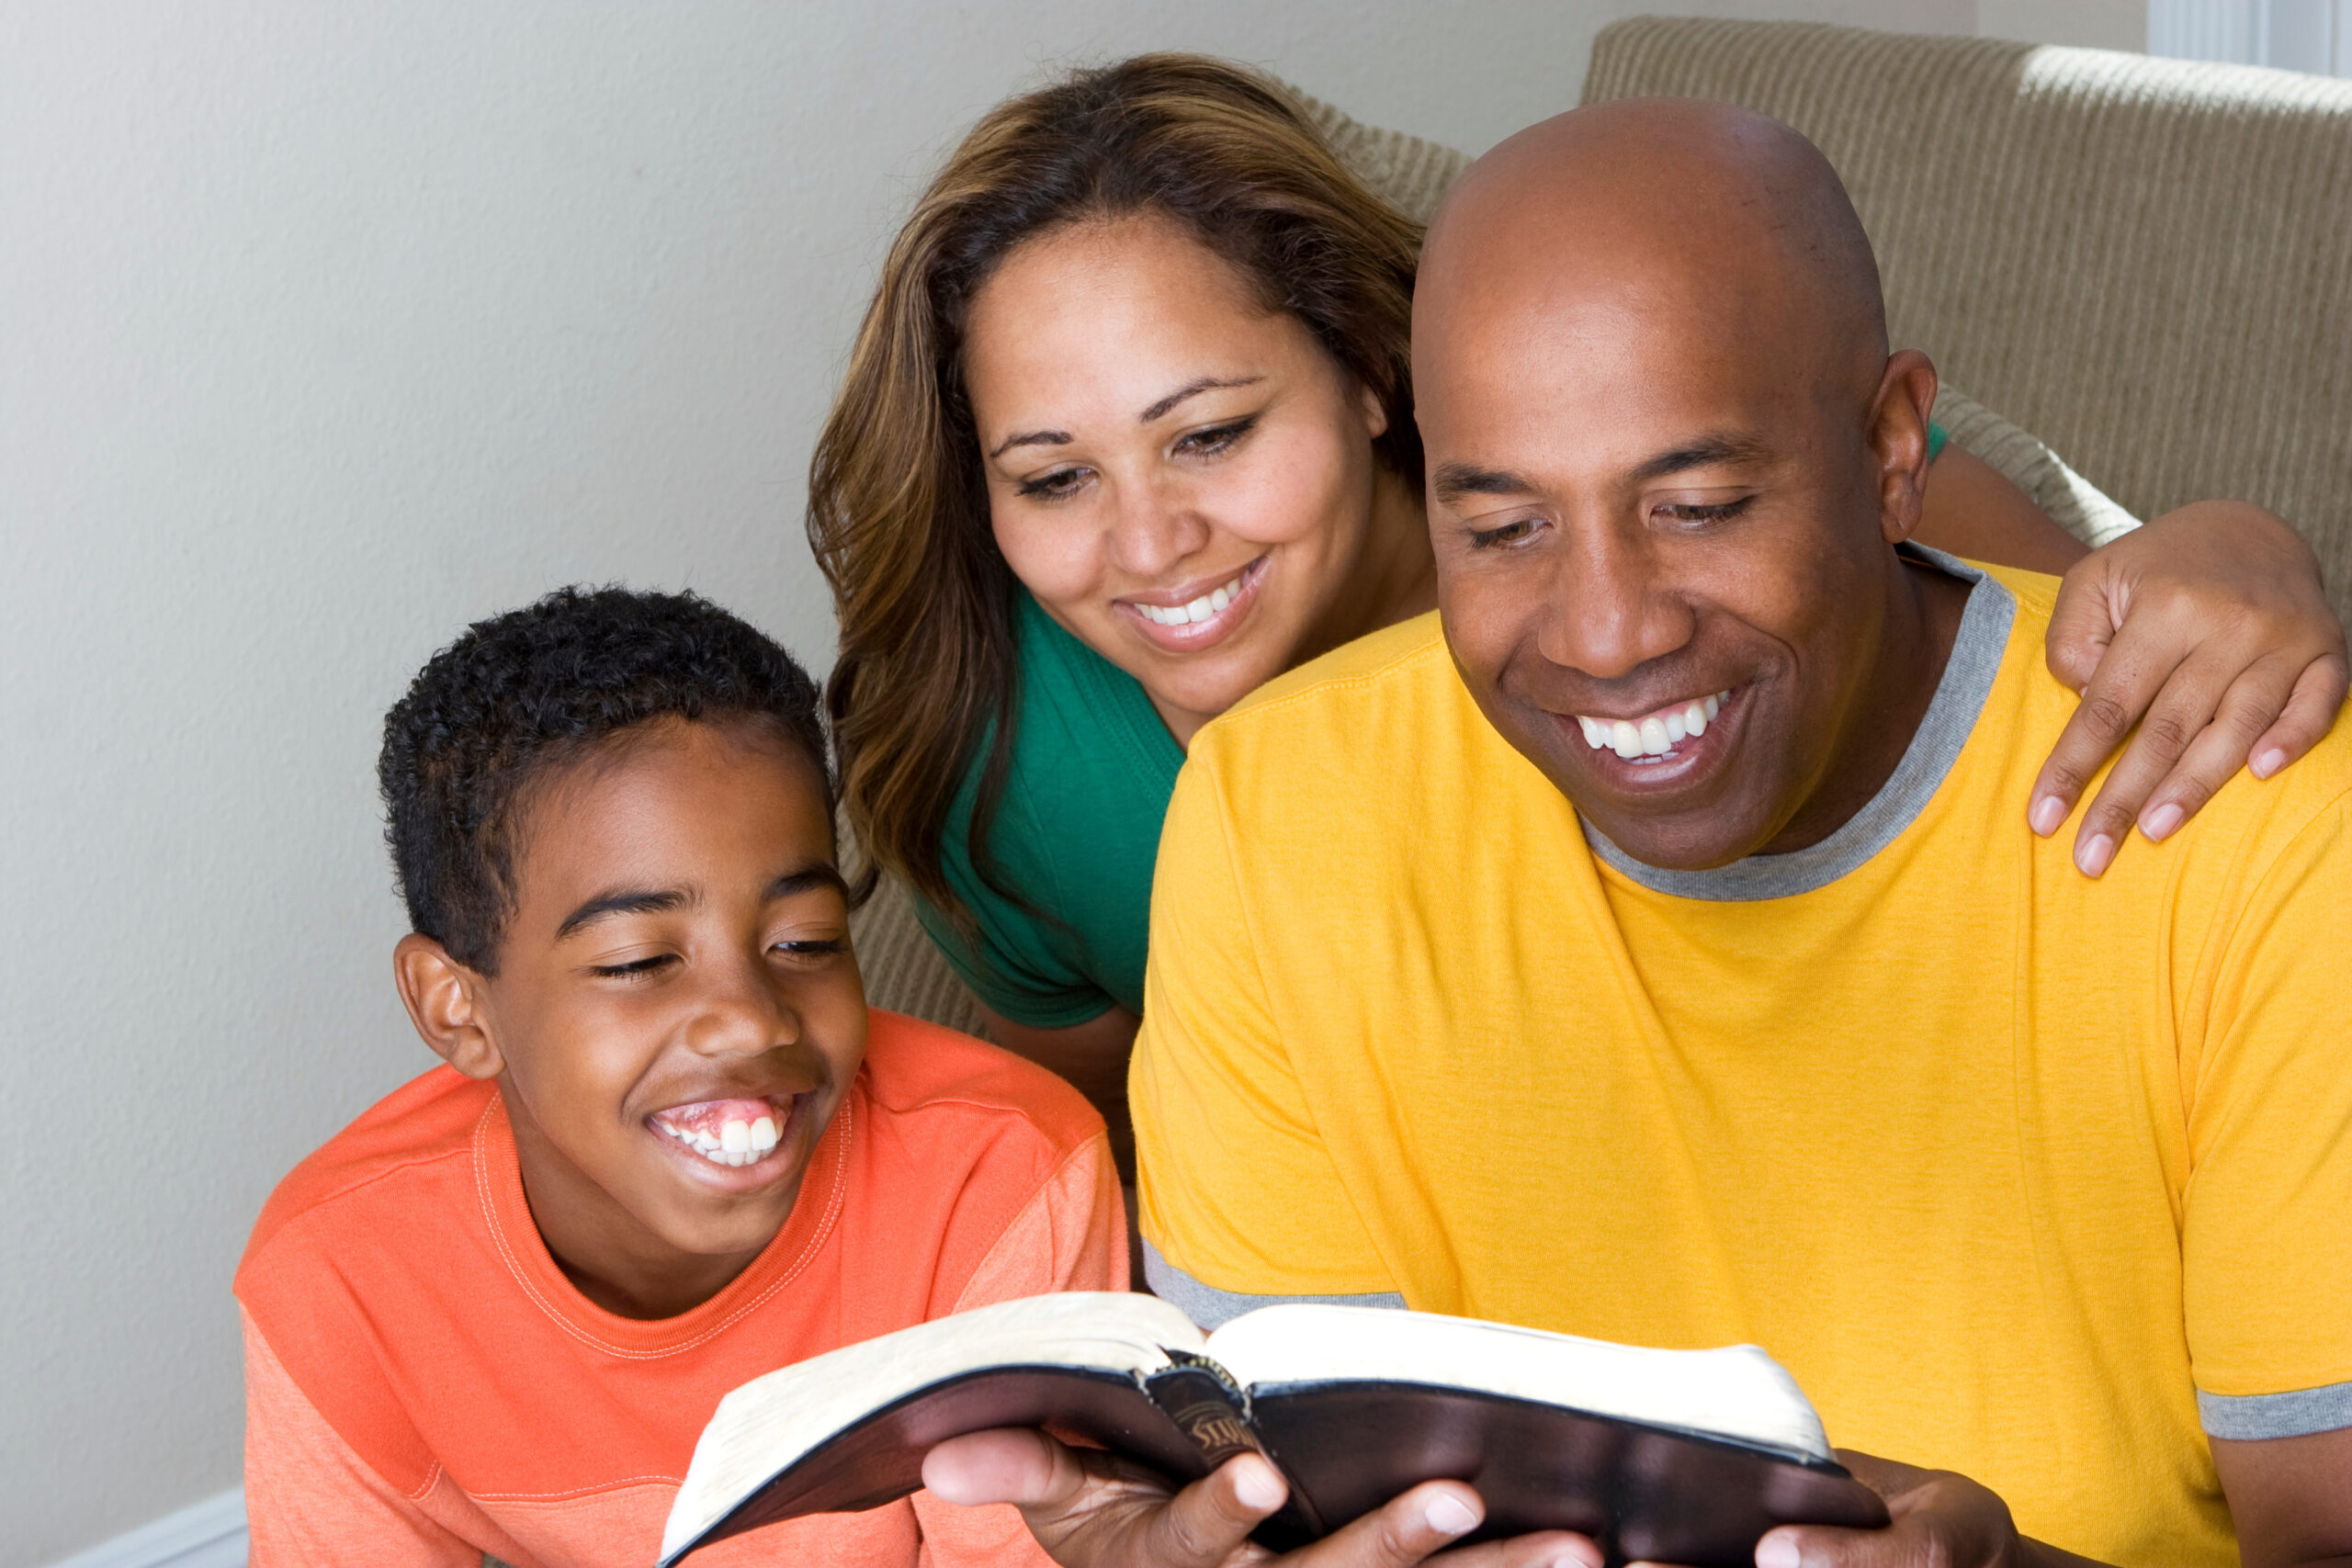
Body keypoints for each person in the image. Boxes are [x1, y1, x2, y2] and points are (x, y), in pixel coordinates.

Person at [923, 101, 2352, 1566]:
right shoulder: (1260, 813)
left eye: (1699, 503)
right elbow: (1311, 1495)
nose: (1608, 633)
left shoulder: (2239, 799)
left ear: (1889, 446)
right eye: (1508, 526)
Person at [809, 54, 2347, 1176]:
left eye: (1210, 433)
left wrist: (2237, 548)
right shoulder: (990, 761)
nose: (1150, 543)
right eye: (1053, 476)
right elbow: (1111, 1166)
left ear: (1366, 370)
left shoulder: (1715, 500)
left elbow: (2082, 645)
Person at [233, 588, 1121, 1565]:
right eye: (637, 962)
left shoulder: (997, 1175)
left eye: (804, 941)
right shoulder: (338, 1276)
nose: (748, 1015)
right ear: (457, 1006)